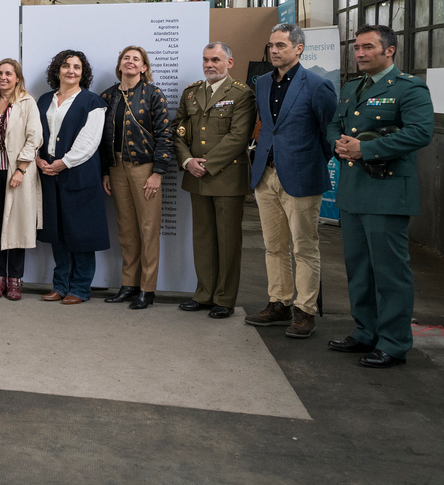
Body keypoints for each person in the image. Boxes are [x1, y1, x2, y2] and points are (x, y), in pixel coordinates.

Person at [327, 25, 434, 369]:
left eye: (368, 47)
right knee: (359, 270)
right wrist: (339, 143)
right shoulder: (350, 88)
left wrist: (366, 148)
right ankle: (365, 332)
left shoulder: (409, 87)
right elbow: (334, 125)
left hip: (387, 192)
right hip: (354, 191)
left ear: (389, 51)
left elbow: (420, 132)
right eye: (357, 48)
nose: (360, 53)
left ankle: (394, 342)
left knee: (389, 272)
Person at [246, 23, 338, 339]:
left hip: (302, 177)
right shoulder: (260, 84)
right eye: (271, 45)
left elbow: (329, 135)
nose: (273, 50)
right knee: (274, 247)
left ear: (298, 49)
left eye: (281, 45)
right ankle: (279, 302)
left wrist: (309, 164)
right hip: (266, 175)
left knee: (304, 248)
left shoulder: (317, 86)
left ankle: (304, 310)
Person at [173, 43, 256, 319]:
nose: (210, 64)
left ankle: (224, 298)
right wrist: (187, 161)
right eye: (206, 60)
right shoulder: (192, 92)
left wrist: (206, 165)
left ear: (229, 63)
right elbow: (179, 131)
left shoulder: (242, 94)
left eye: (216, 60)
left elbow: (238, 136)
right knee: (203, 238)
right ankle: (204, 294)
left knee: (228, 240)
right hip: (196, 175)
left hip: (227, 176)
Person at [99, 46, 174, 310]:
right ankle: (128, 284)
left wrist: (158, 173)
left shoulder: (154, 94)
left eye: (136, 59)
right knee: (126, 229)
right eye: (126, 58)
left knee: (148, 229)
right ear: (119, 65)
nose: (130, 62)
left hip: (145, 168)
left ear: (144, 67)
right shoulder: (107, 95)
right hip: (117, 167)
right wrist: (106, 171)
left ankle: (147, 288)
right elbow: (102, 137)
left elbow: (166, 135)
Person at [36, 50, 109, 304]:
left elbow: (90, 141)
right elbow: (35, 133)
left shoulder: (93, 101)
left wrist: (63, 163)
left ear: (83, 72)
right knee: (57, 234)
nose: (71, 71)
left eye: (76, 67)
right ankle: (59, 285)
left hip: (79, 175)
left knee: (81, 234)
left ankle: (79, 288)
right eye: (66, 66)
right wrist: (37, 158)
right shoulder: (45, 100)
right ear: (57, 70)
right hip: (48, 175)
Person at [0, 58, 42, 301]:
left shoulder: (27, 102)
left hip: (17, 172)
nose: (3, 77)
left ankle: (15, 280)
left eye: (9, 73)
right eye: (0, 73)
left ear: (17, 78)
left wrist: (21, 169)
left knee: (17, 226)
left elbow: (35, 138)